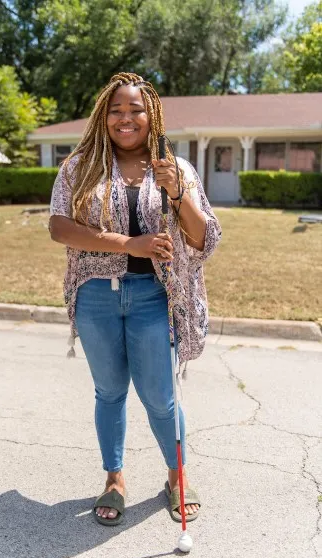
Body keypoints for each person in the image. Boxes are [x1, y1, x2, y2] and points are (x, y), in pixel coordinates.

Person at [49, 72, 221, 526]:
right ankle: (114, 479)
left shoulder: (175, 167)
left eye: (136, 110)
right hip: (95, 297)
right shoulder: (79, 166)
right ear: (104, 118)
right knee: (108, 392)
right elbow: (59, 227)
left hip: (153, 297)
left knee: (161, 398)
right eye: (116, 110)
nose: (126, 118)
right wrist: (127, 244)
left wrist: (178, 193)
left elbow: (205, 237)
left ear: (152, 115)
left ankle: (176, 476)